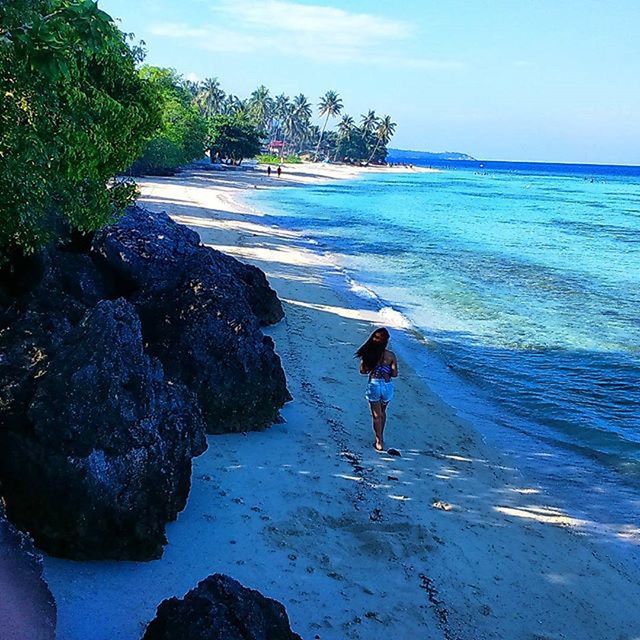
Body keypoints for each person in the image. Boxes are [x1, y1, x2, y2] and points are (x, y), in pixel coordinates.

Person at [355, 327, 398, 451]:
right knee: (383, 412)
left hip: (374, 384)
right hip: (387, 385)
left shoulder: (368, 353)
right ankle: (381, 437)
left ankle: (378, 441)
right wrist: (386, 370)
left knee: (376, 415)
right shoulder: (391, 355)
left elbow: (362, 371)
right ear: (386, 341)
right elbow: (395, 374)